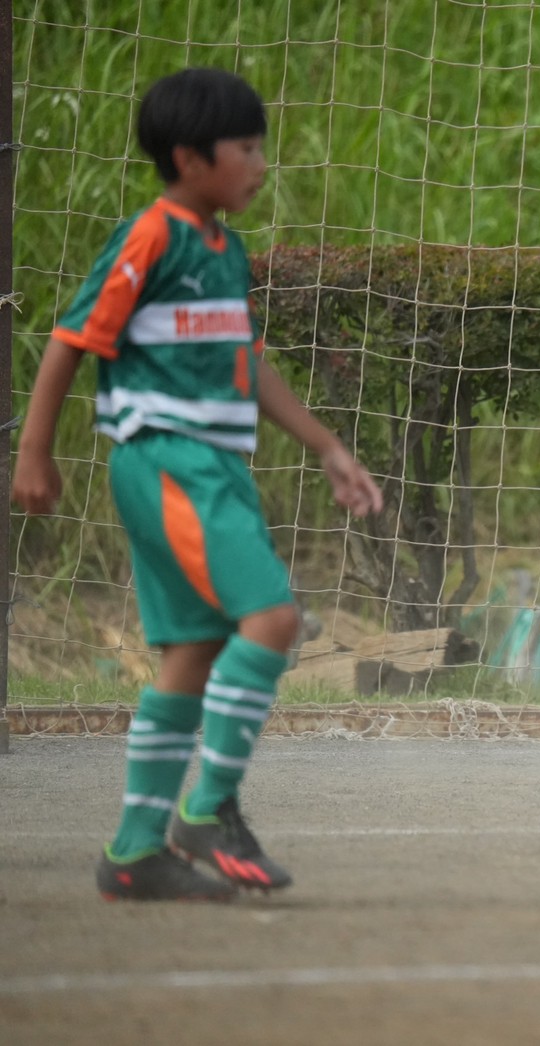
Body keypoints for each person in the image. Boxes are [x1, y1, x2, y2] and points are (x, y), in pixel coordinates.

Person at [12, 68, 384, 901]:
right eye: (245, 149)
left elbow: (246, 364)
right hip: (169, 460)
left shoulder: (225, 248)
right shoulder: (154, 236)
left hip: (215, 466)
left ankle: (135, 852)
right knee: (275, 618)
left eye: (262, 147)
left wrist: (328, 446)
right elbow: (71, 338)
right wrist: (34, 451)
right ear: (189, 157)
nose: (259, 165)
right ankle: (207, 809)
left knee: (195, 651)